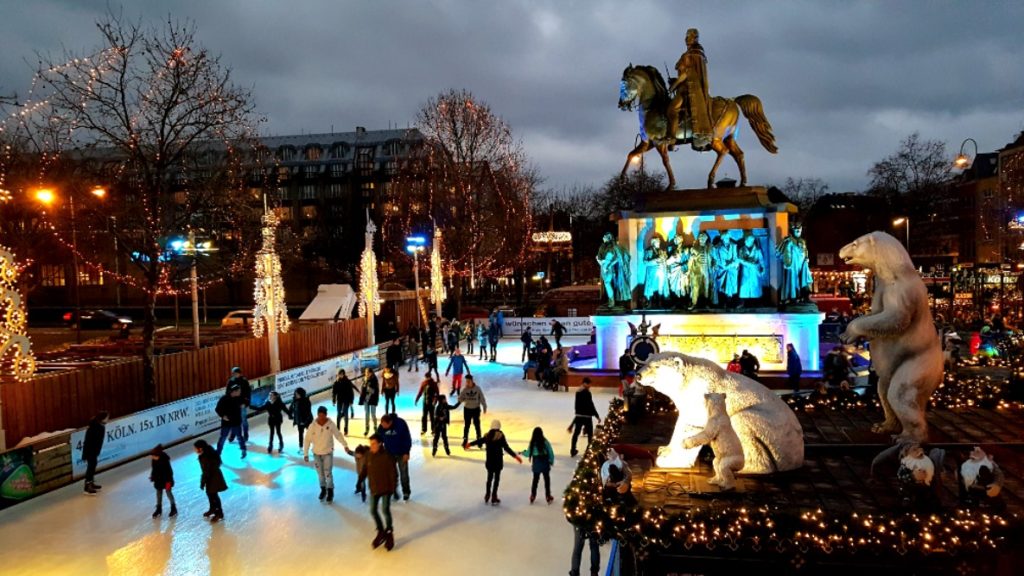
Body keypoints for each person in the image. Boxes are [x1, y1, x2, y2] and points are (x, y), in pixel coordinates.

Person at [666, 28, 712, 151]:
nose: (686, 39)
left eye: (689, 37)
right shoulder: (696, 53)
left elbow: (686, 74)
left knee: (672, 109)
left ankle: (672, 138)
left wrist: (674, 84)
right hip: (688, 86)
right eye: (686, 37)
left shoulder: (692, 54)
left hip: (688, 89)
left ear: (695, 38)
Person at [303, 406, 353, 503]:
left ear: (326, 415)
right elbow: (307, 440)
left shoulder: (330, 424)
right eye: (319, 415)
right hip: (316, 453)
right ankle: (323, 489)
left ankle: (330, 491)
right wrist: (306, 453)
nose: (321, 418)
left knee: (328, 473)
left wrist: (345, 445)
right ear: (317, 415)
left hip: (327, 453)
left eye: (323, 416)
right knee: (320, 474)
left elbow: (338, 435)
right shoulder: (312, 426)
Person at [466, 420, 522, 505]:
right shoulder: (501, 436)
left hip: (490, 461)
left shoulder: (487, 436)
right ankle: (494, 496)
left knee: (489, 479)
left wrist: (469, 444)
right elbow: (506, 448)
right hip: (498, 462)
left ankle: (487, 494)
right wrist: (515, 456)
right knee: (496, 479)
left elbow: (479, 441)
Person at [359, 434, 397, 551]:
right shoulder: (369, 455)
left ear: (380, 444)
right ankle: (381, 531)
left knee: (385, 509)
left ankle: (389, 532)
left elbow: (393, 474)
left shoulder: (387, 456)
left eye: (374, 444)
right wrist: (359, 480)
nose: (372, 446)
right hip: (374, 488)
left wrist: (394, 489)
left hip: (386, 488)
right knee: (373, 510)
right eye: (371, 444)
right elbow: (365, 469)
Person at [377, 414, 413, 501]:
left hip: (401, 453)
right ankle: (394, 491)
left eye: (385, 426)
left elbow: (407, 438)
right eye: (382, 425)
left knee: (404, 474)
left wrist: (406, 452)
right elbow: (379, 437)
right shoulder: (381, 426)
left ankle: (406, 492)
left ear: (390, 422)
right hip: (389, 453)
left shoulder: (400, 423)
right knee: (392, 474)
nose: (384, 427)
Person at [521, 427, 555, 505]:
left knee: (535, 480)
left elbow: (528, 453)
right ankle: (548, 495)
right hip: (545, 463)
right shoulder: (545, 442)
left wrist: (523, 452)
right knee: (547, 480)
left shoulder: (533, 442)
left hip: (536, 463)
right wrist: (551, 460)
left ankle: (533, 495)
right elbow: (550, 451)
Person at [194, 439, 227, 522]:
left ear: (200, 448)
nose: (195, 450)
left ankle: (219, 513)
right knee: (210, 494)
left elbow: (206, 471)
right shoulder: (209, 452)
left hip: (213, 478)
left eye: (195, 448)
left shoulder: (206, 457)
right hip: (213, 476)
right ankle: (213, 509)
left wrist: (202, 482)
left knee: (213, 495)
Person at [569, 378, 601, 457]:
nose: (590, 386)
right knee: (590, 434)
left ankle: (573, 450)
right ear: (585, 383)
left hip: (579, 416)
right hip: (587, 416)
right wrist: (597, 416)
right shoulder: (587, 393)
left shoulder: (578, 392)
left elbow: (576, 405)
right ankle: (589, 450)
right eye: (589, 384)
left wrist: (577, 415)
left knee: (576, 433)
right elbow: (591, 405)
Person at [82, 410, 108, 495]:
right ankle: (87, 486)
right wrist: (85, 454)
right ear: (102, 418)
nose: (108, 419)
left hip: (94, 451)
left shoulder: (101, 427)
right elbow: (87, 441)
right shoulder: (94, 428)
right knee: (91, 467)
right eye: (107, 417)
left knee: (93, 466)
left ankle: (91, 482)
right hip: (90, 451)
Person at [215, 386, 246, 458]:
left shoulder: (239, 398)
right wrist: (223, 416)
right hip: (227, 422)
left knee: (239, 437)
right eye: (239, 391)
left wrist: (244, 405)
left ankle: (243, 450)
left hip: (236, 421)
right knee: (223, 437)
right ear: (234, 391)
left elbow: (245, 401)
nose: (240, 392)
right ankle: (218, 452)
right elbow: (217, 409)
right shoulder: (224, 399)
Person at [458, 375, 488, 446]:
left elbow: (482, 398)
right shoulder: (464, 389)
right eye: (466, 381)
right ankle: (465, 439)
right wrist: (463, 399)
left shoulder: (477, 389)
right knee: (467, 425)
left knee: (477, 425)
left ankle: (479, 439)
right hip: (467, 410)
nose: (467, 383)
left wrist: (484, 406)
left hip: (476, 409)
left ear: (472, 381)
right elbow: (459, 398)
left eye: (468, 381)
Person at [149, 444, 177, 518]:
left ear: (157, 455)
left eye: (153, 456)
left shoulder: (165, 461)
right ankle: (159, 509)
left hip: (167, 480)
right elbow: (154, 470)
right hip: (158, 481)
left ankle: (173, 508)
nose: (152, 457)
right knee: (158, 494)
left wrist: (168, 482)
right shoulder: (154, 461)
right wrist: (152, 477)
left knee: (168, 493)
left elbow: (169, 472)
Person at [226, 367, 252, 443]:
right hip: (233, 404)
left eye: (235, 373)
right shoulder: (231, 381)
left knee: (243, 420)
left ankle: (246, 435)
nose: (233, 374)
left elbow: (248, 392)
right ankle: (233, 435)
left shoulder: (244, 381)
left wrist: (245, 403)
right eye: (233, 373)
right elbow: (228, 392)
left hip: (242, 404)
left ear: (239, 373)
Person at [331, 369, 359, 435]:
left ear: (343, 374)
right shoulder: (336, 383)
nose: (340, 375)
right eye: (339, 374)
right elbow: (334, 393)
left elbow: (351, 392)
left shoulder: (347, 381)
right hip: (339, 401)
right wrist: (333, 400)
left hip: (346, 400)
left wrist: (351, 401)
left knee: (346, 414)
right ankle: (338, 428)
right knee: (338, 414)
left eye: (341, 374)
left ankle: (346, 428)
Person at [292, 387, 314, 451]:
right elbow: (293, 409)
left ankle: (314, 446)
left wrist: (304, 421)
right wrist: (293, 417)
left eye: (297, 394)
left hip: (307, 421)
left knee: (310, 434)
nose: (296, 395)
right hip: (299, 421)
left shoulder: (306, 401)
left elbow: (308, 412)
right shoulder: (295, 401)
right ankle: (301, 448)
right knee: (300, 434)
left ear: (301, 394)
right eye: (295, 394)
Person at [360, 368, 381, 435]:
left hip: (372, 399)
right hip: (366, 400)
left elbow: (375, 391)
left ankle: (375, 427)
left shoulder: (374, 379)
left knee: (373, 414)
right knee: (367, 414)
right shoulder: (364, 379)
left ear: (371, 373)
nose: (367, 374)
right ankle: (367, 427)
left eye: (368, 372)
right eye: (366, 372)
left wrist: (368, 388)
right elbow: (362, 389)